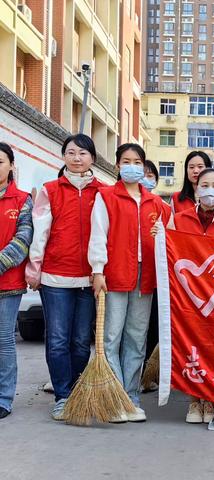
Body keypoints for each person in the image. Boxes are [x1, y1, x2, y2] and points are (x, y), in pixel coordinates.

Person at [89, 143, 171, 423]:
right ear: (117, 166)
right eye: (126, 161)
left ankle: (131, 396)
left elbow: (170, 240)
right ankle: (115, 399)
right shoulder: (106, 197)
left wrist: (162, 235)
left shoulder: (156, 203)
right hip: (114, 273)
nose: (132, 166)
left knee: (136, 339)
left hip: (145, 276)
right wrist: (98, 270)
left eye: (137, 161)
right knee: (111, 336)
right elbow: (98, 234)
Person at [26, 134, 102, 421]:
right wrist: (34, 269)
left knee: (81, 341)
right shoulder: (50, 190)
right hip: (55, 277)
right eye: (71, 152)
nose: (77, 158)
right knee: (57, 339)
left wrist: (100, 271)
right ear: (63, 157)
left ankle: (78, 392)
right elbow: (40, 233)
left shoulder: (102, 192)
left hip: (88, 278)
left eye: (83, 153)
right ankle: (62, 396)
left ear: (92, 158)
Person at [168, 168, 214, 423]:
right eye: (204, 185)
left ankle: (212, 399)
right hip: (187, 295)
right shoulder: (179, 219)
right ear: (196, 189)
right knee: (191, 345)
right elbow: (167, 251)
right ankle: (193, 401)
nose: (210, 190)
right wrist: (159, 238)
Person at [0, 143, 33, 419]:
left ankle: (4, 398)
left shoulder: (22, 200)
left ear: (11, 165)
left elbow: (23, 240)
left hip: (8, 284)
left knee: (4, 341)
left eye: (0, 162)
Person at [139, 160, 172, 391]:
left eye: (151, 175)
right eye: (143, 173)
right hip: (132, 277)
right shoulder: (116, 201)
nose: (146, 178)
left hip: (160, 278)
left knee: (153, 328)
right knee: (134, 331)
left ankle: (151, 375)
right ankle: (133, 378)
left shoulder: (164, 208)